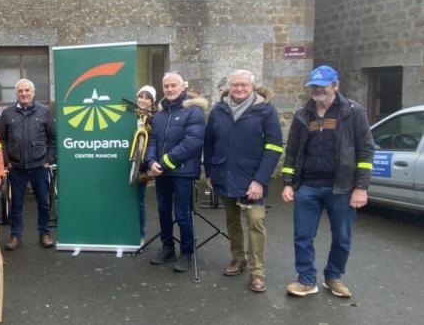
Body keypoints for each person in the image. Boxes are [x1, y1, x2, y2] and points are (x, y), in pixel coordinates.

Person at [281, 65, 374, 298]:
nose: (317, 90)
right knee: (302, 236)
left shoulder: (354, 112)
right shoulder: (304, 114)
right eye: (314, 86)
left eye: (322, 86)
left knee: (342, 237)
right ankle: (306, 280)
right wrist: (288, 183)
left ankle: (333, 277)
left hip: (342, 188)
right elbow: (292, 152)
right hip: (308, 187)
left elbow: (366, 151)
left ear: (335, 86)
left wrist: (361, 188)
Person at [203, 70, 283, 293]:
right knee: (232, 220)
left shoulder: (265, 110)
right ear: (229, 86)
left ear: (252, 86)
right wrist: (209, 172)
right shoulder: (218, 110)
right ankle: (238, 258)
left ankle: (257, 272)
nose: (239, 89)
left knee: (255, 221)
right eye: (235, 85)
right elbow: (209, 143)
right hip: (224, 174)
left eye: (244, 85)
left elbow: (274, 147)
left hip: (252, 178)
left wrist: (260, 180)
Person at [145, 72, 207, 272]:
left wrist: (165, 162)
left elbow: (192, 142)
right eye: (166, 86)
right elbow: (153, 139)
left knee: (182, 214)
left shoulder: (193, 111)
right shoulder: (161, 113)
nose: (170, 89)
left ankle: (187, 252)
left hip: (183, 172)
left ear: (183, 87)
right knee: (163, 211)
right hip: (162, 171)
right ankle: (167, 248)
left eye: (174, 85)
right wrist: (151, 161)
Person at [0, 78, 56, 250]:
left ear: (33, 93)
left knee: (44, 202)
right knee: (16, 204)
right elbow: (0, 139)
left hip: (39, 166)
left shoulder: (44, 112)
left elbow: (53, 137)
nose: (24, 94)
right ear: (16, 94)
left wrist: (49, 160)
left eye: (27, 90)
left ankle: (44, 234)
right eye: (20, 91)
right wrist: (7, 160)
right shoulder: (7, 114)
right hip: (17, 167)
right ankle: (15, 236)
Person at [135, 85, 157, 244]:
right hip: (124, 161)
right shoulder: (128, 115)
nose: (143, 100)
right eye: (141, 96)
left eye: (147, 97)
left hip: (141, 165)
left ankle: (140, 235)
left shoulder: (155, 118)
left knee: (139, 200)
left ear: (152, 101)